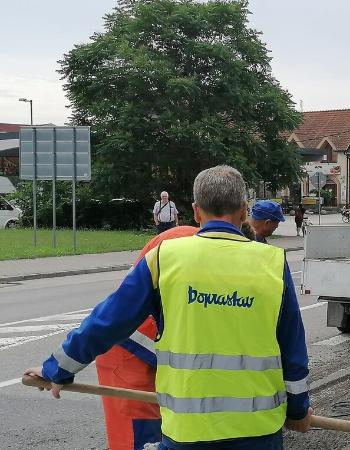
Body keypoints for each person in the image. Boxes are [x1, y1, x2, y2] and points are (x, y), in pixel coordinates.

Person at [25, 165, 312, 449]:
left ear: (196, 210)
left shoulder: (165, 257)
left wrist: (56, 370)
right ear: (244, 210)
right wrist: (297, 411)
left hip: (187, 431)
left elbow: (107, 321)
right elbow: (292, 346)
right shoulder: (272, 263)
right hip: (258, 430)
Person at [95, 225, 199, 450]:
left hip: (149, 352)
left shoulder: (192, 240)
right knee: (137, 439)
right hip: (130, 357)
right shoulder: (185, 245)